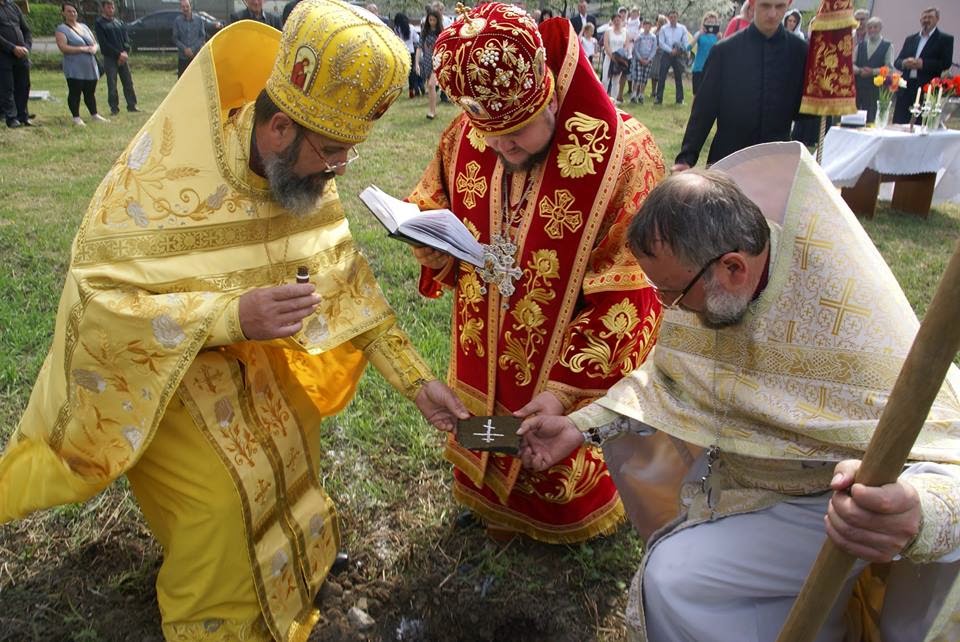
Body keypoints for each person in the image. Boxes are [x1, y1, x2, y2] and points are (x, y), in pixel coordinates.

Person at [0, 0, 469, 638]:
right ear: (279, 131)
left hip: (255, 360)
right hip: (163, 373)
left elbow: (347, 291)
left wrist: (419, 384)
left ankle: (298, 583)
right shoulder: (165, 174)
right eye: (332, 152)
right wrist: (229, 315)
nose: (337, 171)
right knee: (224, 499)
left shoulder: (303, 177)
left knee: (294, 447)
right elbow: (100, 300)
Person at [519, 143, 960, 641]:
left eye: (674, 294)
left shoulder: (863, 334)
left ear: (733, 267)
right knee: (675, 581)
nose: (670, 309)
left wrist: (917, 511)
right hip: (745, 490)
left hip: (831, 507)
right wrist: (578, 428)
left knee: (675, 578)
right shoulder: (710, 286)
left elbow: (946, 453)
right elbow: (666, 381)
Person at [409, 3, 675, 544]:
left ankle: (561, 514)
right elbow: (433, 196)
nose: (501, 148)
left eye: (519, 134)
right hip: (480, 332)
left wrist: (561, 395)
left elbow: (631, 295)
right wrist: (427, 238)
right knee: (486, 418)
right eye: (491, 137)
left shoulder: (625, 155)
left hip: (558, 357)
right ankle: (486, 493)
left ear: (549, 92)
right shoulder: (470, 132)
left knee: (543, 438)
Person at [672, 0, 807, 171]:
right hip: (728, 158)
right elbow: (704, 108)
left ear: (788, 6)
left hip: (776, 163)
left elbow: (802, 111)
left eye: (779, 6)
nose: (772, 14)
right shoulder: (724, 51)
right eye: (765, 5)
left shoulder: (799, 52)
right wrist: (686, 157)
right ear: (753, 5)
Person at [893, 6, 954, 125]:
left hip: (927, 89)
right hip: (906, 88)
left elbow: (946, 63)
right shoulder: (911, 39)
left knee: (920, 125)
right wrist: (904, 63)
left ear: (937, 19)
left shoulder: (945, 39)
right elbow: (897, 62)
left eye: (930, 17)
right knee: (899, 124)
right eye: (924, 17)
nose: (926, 20)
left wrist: (923, 64)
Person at [55, 2, 107, 127]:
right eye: (69, 11)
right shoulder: (61, 29)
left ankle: (94, 114)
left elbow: (94, 42)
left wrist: (94, 48)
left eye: (74, 11)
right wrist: (82, 49)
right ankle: (76, 117)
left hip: (90, 66)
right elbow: (63, 47)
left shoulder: (84, 26)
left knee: (90, 91)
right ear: (63, 13)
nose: (72, 13)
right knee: (75, 92)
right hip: (74, 67)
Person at [95, 0, 139, 116]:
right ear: (103, 8)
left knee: (128, 82)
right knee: (112, 83)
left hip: (123, 58)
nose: (111, 9)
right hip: (110, 58)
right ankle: (114, 108)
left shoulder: (119, 23)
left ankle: (132, 105)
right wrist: (118, 54)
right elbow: (104, 44)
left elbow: (126, 40)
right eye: (108, 7)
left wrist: (125, 52)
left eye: (112, 7)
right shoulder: (100, 23)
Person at [854, 16, 895, 123]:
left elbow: (889, 68)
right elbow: (852, 64)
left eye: (875, 27)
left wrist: (873, 72)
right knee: (855, 119)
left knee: (871, 120)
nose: (872, 30)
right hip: (859, 89)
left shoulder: (887, 46)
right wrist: (859, 71)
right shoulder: (860, 46)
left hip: (875, 91)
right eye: (870, 27)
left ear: (880, 28)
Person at [0, 0, 31, 128]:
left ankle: (22, 116)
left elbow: (26, 30)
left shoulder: (13, 6)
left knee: (23, 85)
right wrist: (12, 48)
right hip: (3, 55)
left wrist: (26, 47)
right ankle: (11, 118)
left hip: (21, 54)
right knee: (7, 87)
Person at [654, 9, 689, 105]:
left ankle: (680, 99)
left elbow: (685, 41)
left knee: (678, 77)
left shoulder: (682, 28)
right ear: (668, 18)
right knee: (662, 76)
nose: (673, 19)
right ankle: (658, 98)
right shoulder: (664, 28)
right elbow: (661, 42)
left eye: (675, 17)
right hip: (666, 54)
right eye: (671, 17)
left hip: (678, 55)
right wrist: (670, 50)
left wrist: (685, 50)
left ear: (677, 18)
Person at [416, 8, 442, 119]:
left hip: (437, 61)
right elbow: (419, 47)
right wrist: (416, 63)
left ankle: (432, 111)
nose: (431, 22)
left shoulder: (441, 32)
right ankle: (432, 110)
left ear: (437, 20)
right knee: (430, 88)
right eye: (430, 19)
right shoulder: (424, 32)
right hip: (426, 61)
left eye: (433, 20)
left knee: (431, 85)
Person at [689, 11, 719, 96]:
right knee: (697, 95)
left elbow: (722, 52)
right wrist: (698, 35)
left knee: (710, 95)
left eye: (713, 22)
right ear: (704, 22)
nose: (710, 24)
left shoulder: (717, 36)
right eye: (708, 22)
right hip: (699, 68)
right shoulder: (699, 34)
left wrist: (720, 39)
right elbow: (689, 47)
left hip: (712, 69)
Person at [602, 11, 629, 101]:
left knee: (616, 81)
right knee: (605, 80)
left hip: (619, 59)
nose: (617, 22)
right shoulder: (608, 31)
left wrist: (620, 57)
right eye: (615, 20)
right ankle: (603, 99)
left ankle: (614, 101)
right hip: (609, 58)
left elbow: (626, 45)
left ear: (621, 21)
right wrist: (612, 56)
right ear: (612, 21)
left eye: (618, 20)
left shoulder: (625, 32)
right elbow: (606, 44)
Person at [628, 17, 655, 103]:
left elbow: (654, 49)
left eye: (649, 26)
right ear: (643, 26)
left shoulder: (653, 37)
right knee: (638, 77)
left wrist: (649, 59)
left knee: (644, 78)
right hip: (639, 59)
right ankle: (634, 94)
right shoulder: (640, 36)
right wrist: (640, 58)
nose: (647, 27)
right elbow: (636, 48)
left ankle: (641, 95)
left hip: (648, 60)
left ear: (651, 27)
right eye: (645, 25)